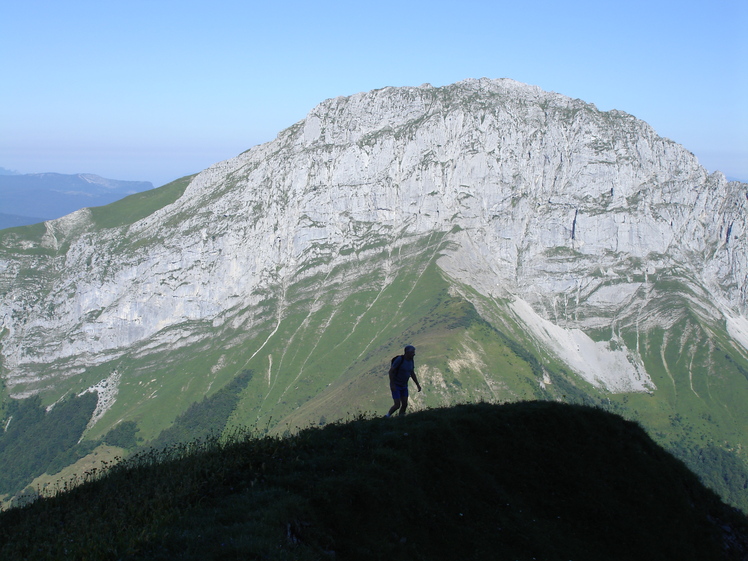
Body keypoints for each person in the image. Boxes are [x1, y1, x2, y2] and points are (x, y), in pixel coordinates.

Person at [386, 345, 422, 417]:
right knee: (397, 405)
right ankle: (387, 416)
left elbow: (412, 373)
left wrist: (417, 384)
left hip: (404, 385)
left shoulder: (411, 361)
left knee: (405, 404)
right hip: (396, 385)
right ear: (407, 353)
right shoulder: (400, 359)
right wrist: (392, 384)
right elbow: (391, 371)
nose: (414, 354)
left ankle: (401, 417)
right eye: (412, 353)